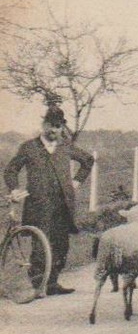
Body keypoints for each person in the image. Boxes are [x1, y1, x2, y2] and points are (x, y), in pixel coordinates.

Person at [4, 104, 96, 295]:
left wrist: (76, 182)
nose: (54, 130)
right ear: (43, 124)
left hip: (63, 206)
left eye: (58, 126)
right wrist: (14, 189)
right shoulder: (29, 147)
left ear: (62, 128)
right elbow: (11, 170)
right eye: (50, 125)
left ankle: (52, 284)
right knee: (40, 248)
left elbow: (88, 160)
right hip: (39, 206)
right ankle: (38, 286)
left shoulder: (65, 147)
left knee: (61, 246)